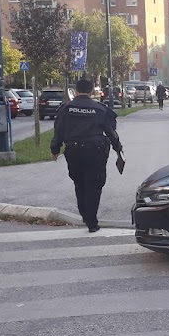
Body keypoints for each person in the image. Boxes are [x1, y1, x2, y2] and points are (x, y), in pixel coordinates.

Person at [50, 78, 124, 232]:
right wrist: (118, 150)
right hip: (95, 152)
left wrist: (55, 149)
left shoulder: (66, 109)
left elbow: (58, 131)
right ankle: (91, 221)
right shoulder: (100, 109)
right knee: (94, 185)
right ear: (91, 92)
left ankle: (84, 214)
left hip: (73, 152)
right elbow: (111, 132)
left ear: (76, 91)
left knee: (79, 183)